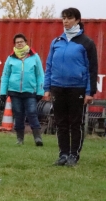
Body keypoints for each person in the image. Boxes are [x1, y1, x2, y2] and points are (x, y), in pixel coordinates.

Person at [43, 8, 98, 166]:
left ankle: (74, 155)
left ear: (77, 20)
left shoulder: (86, 43)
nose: (65, 21)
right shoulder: (56, 42)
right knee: (60, 122)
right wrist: (47, 87)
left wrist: (89, 92)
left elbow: (92, 68)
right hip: (58, 87)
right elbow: (49, 65)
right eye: (64, 18)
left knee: (75, 122)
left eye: (69, 18)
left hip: (77, 88)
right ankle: (63, 154)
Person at [0, 33, 45, 146]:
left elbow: (40, 75)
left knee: (32, 113)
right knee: (18, 114)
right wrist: (2, 91)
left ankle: (37, 138)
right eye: (17, 42)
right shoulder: (10, 58)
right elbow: (5, 75)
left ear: (26, 43)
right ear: (14, 44)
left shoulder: (35, 57)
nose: (19, 44)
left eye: (21, 41)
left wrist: (40, 91)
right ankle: (20, 139)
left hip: (30, 91)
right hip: (14, 92)